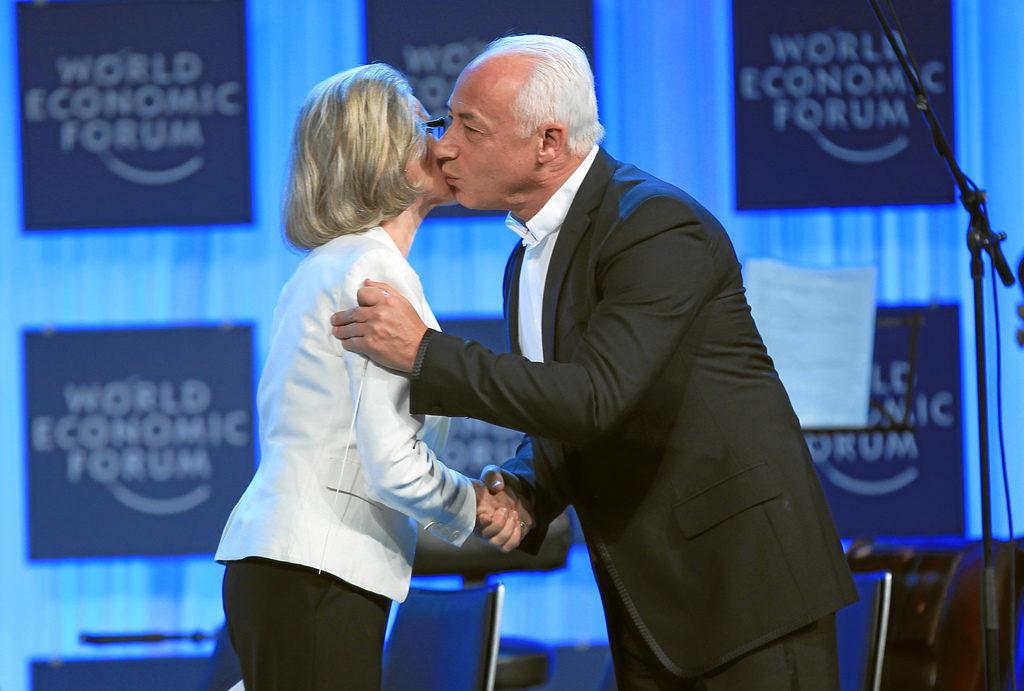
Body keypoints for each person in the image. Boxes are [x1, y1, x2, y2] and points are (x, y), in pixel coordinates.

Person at [331, 36, 858, 689]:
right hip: (652, 605)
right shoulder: (525, 257)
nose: (443, 146)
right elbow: (570, 415)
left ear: (548, 142)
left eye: (471, 127)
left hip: (746, 598)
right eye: (448, 121)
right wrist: (526, 488)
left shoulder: (655, 226)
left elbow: (598, 395)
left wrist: (424, 354)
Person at [214, 63, 519, 690]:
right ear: (381, 154)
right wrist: (477, 508)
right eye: (425, 126)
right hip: (316, 571)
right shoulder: (372, 273)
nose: (443, 142)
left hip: (291, 566)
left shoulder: (334, 264)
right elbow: (390, 460)